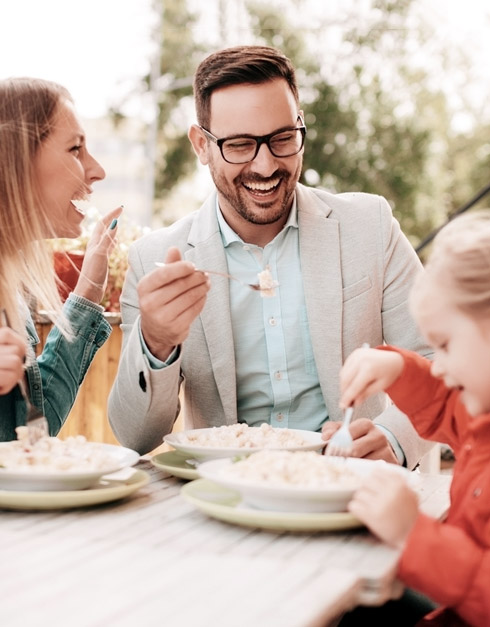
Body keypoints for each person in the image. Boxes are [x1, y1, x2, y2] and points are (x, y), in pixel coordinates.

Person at [108, 45, 433, 467]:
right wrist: (157, 341)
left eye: (282, 139)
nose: (265, 166)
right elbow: (136, 437)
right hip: (225, 495)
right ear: (201, 146)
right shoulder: (154, 259)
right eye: (240, 145)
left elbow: (438, 360)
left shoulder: (369, 225)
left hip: (349, 486)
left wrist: (392, 438)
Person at [337, 210, 490, 626]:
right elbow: (442, 404)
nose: (437, 365)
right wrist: (397, 369)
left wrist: (413, 535)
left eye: (443, 344)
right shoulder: (481, 416)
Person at [0, 77, 122, 440]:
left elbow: (35, 430)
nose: (97, 169)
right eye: (75, 149)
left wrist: (90, 284)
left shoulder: (12, 290)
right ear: (15, 160)